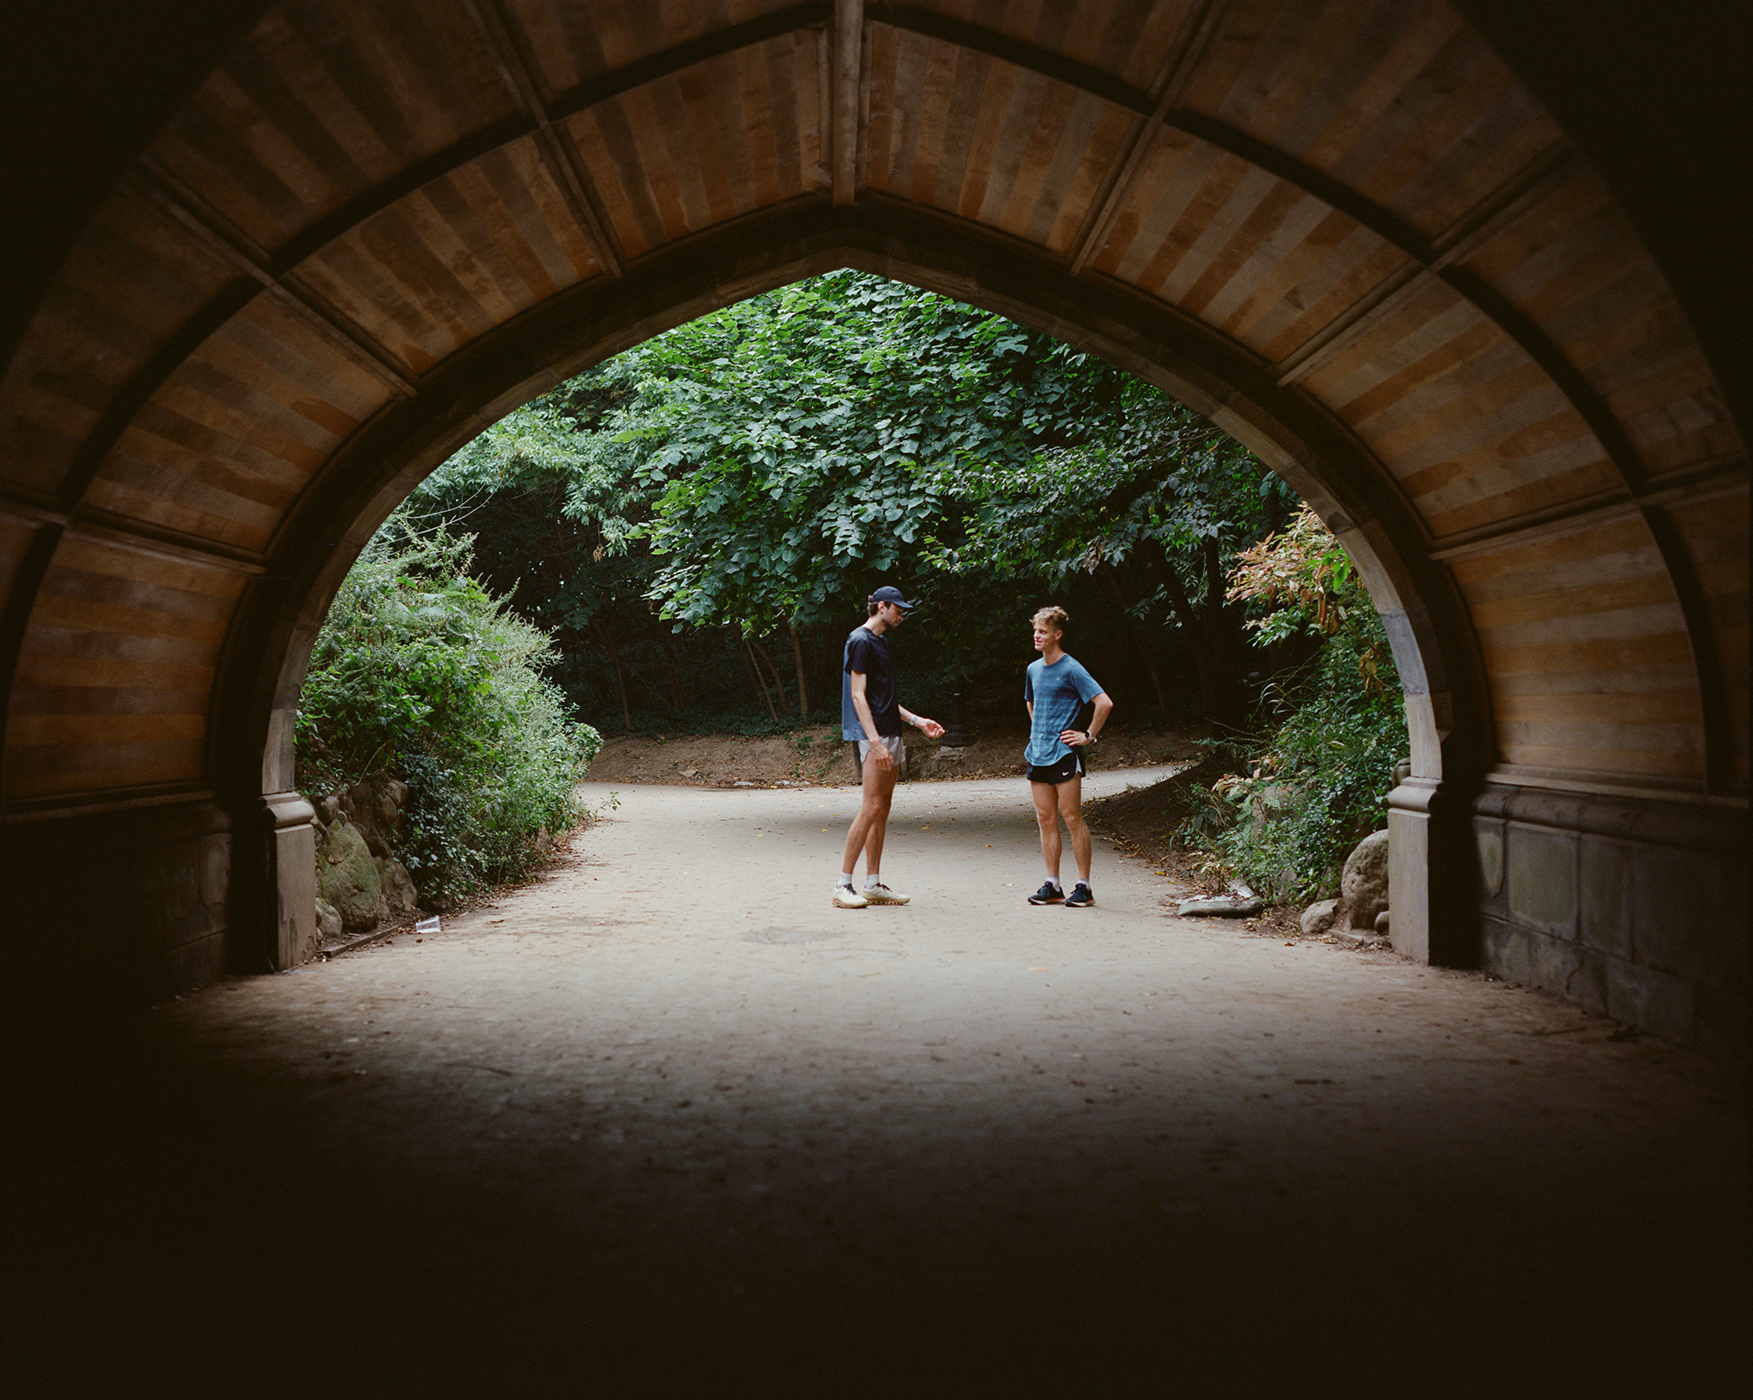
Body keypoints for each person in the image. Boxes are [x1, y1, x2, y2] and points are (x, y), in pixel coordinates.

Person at [836, 586, 944, 909]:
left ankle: (872, 884)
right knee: (870, 807)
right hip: (874, 736)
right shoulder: (859, 640)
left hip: (890, 732)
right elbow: (858, 695)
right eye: (898, 609)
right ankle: (842, 885)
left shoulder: (880, 642)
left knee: (882, 809)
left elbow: (884, 700)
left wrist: (917, 721)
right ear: (881, 607)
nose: (901, 615)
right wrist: (874, 741)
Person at [1022, 605, 1113, 908]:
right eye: (1035, 630)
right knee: (1045, 819)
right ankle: (1053, 885)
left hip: (1064, 754)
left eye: (1043, 631)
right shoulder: (1033, 669)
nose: (1037, 635)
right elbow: (1031, 702)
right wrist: (1039, 730)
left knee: (1072, 818)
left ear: (1057, 635)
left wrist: (1087, 735)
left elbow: (1104, 703)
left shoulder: (1072, 668)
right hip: (1037, 753)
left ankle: (1084, 887)